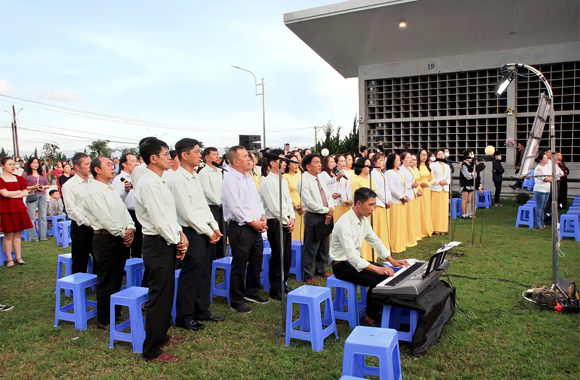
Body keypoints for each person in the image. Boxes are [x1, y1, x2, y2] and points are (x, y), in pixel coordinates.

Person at [135, 138, 188, 362]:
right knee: (158, 296)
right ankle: (152, 349)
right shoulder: (148, 183)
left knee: (167, 292)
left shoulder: (160, 180)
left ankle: (162, 335)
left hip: (166, 239)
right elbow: (158, 219)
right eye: (165, 153)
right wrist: (177, 239)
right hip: (157, 243)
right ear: (153, 158)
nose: (170, 157)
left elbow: (169, 214)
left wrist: (179, 234)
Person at [330, 187, 409, 326]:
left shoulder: (363, 220)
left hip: (354, 261)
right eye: (370, 205)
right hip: (341, 265)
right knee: (379, 278)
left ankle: (380, 312)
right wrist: (376, 269)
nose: (374, 208)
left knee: (388, 272)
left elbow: (375, 241)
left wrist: (392, 261)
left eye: (374, 204)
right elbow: (352, 256)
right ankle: (369, 318)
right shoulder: (344, 224)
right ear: (359, 204)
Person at [169, 138, 224, 330]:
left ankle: (202, 310)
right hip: (191, 231)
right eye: (197, 152)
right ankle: (185, 316)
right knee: (191, 275)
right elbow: (187, 212)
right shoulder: (177, 180)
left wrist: (214, 226)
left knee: (204, 272)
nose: (200, 155)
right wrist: (209, 231)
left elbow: (202, 206)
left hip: (204, 230)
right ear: (184, 155)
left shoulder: (194, 176)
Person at [84, 156, 135, 330]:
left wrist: (130, 227)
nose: (112, 168)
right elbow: (104, 217)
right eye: (108, 165)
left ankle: (116, 311)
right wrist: (122, 233)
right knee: (106, 278)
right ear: (97, 170)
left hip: (120, 237)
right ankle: (104, 318)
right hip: (106, 238)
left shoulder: (111, 187)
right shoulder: (93, 191)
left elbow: (123, 209)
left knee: (117, 276)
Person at [222, 146, 269, 314]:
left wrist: (262, 215)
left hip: (255, 225)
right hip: (241, 227)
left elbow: (255, 200)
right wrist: (252, 222)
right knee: (240, 263)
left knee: (256, 260)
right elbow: (235, 207)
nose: (250, 159)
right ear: (235, 161)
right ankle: (236, 299)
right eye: (245, 157)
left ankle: (252, 291)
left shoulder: (248, 177)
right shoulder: (230, 179)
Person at [259, 150, 295, 301]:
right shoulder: (267, 182)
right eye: (282, 161)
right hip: (275, 222)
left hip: (286, 221)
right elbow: (274, 207)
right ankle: (276, 288)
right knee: (278, 255)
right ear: (273, 163)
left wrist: (292, 217)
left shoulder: (282, 180)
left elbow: (288, 202)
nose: (285, 163)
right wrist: (287, 221)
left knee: (286, 255)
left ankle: (283, 282)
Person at [299, 153, 333, 285]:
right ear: (308, 166)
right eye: (316, 162)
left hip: (326, 215)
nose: (320, 165)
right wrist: (326, 210)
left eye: (320, 162)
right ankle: (307, 274)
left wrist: (330, 209)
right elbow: (308, 202)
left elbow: (328, 195)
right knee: (311, 246)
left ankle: (321, 269)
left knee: (324, 245)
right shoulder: (303, 181)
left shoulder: (320, 178)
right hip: (314, 216)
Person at [62, 153, 95, 274]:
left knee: (98, 256)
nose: (90, 166)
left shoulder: (93, 181)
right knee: (80, 258)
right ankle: (78, 285)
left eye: (90, 163)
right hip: (81, 226)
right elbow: (71, 210)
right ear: (76, 167)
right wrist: (88, 223)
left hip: (98, 223)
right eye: (86, 164)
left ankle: (98, 283)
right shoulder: (69, 185)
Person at [0, 157, 32, 267]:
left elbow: (25, 193)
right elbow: (4, 194)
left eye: (14, 164)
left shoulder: (19, 178)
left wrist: (11, 193)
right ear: (3, 166)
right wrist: (17, 192)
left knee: (18, 233)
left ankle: (18, 257)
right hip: (6, 209)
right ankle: (9, 259)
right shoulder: (0, 179)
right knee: (8, 234)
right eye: (10, 164)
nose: (13, 166)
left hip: (19, 208)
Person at [111, 153, 142, 259]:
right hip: (128, 213)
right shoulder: (120, 179)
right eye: (132, 161)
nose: (136, 163)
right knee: (128, 243)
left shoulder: (138, 177)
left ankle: (137, 268)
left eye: (136, 161)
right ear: (124, 164)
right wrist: (126, 190)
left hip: (139, 212)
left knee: (138, 243)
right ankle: (126, 270)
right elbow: (116, 199)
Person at [198, 147, 226, 259]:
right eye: (214, 154)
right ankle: (213, 259)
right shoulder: (204, 173)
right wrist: (220, 201)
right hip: (212, 207)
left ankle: (221, 258)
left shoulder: (220, 171)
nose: (217, 157)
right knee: (214, 232)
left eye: (218, 154)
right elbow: (207, 191)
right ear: (207, 157)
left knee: (223, 233)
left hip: (222, 207)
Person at [385, 153, 409, 253]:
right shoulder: (389, 173)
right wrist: (401, 197)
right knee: (395, 224)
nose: (400, 162)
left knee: (401, 224)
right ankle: (394, 245)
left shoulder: (398, 172)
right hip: (395, 202)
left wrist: (405, 195)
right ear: (392, 162)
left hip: (401, 202)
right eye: (398, 160)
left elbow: (404, 185)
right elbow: (391, 188)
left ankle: (400, 243)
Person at [22, 157, 50, 242]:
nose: (35, 164)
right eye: (33, 163)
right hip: (32, 195)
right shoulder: (25, 174)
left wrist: (43, 187)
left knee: (43, 216)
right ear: (29, 164)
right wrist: (33, 187)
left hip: (42, 195)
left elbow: (47, 184)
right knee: (31, 217)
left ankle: (43, 236)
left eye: (37, 163)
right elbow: (22, 186)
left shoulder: (42, 173)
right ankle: (33, 237)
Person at [400, 152, 420, 247]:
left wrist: (416, 188)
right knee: (407, 218)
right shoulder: (400, 170)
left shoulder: (411, 170)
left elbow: (413, 181)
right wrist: (410, 185)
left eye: (410, 158)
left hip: (412, 194)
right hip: (406, 195)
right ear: (402, 160)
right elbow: (401, 183)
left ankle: (412, 236)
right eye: (407, 158)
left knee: (412, 217)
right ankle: (406, 238)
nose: (410, 160)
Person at [283, 154, 304, 243]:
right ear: (288, 164)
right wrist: (295, 205)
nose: (296, 164)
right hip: (293, 208)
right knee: (295, 232)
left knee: (303, 232)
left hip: (303, 207)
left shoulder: (300, 175)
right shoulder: (285, 177)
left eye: (297, 162)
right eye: (293, 162)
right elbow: (286, 193)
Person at [430, 150, 451, 235]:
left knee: (443, 209)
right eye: (439, 154)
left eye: (442, 154)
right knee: (435, 209)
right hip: (435, 188)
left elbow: (448, 177)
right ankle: (435, 228)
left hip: (444, 189)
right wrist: (438, 182)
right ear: (436, 156)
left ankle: (443, 228)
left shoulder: (447, 166)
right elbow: (431, 177)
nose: (441, 155)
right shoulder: (432, 165)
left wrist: (445, 182)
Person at [417, 149, 435, 237]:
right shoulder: (416, 167)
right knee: (420, 208)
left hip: (426, 189)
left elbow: (433, 179)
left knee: (426, 208)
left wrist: (427, 183)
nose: (424, 157)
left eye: (425, 155)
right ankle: (419, 229)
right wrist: (421, 184)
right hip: (419, 189)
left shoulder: (428, 167)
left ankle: (427, 228)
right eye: (422, 155)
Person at [319, 155, 342, 221]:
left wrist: (340, 194)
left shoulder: (334, 173)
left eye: (334, 162)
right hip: (330, 202)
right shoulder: (323, 173)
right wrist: (337, 178)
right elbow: (329, 181)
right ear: (326, 164)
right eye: (331, 162)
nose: (333, 164)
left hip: (337, 201)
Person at [533, 152, 552, 230]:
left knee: (544, 207)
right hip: (540, 189)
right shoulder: (538, 168)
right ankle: (538, 224)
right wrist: (549, 178)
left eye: (546, 158)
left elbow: (551, 176)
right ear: (541, 160)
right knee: (539, 207)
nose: (546, 159)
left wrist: (550, 178)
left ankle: (542, 223)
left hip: (547, 189)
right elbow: (546, 179)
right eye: (544, 158)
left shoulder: (547, 166)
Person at [333, 154, 353, 222]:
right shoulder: (334, 174)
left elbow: (349, 187)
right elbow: (337, 188)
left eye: (344, 161)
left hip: (348, 203)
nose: (343, 163)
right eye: (341, 161)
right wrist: (343, 200)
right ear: (336, 163)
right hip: (339, 203)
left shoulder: (347, 173)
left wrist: (350, 199)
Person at [459, 150, 476, 219]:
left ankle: (468, 213)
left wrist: (472, 174)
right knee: (465, 199)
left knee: (469, 200)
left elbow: (475, 174)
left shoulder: (472, 165)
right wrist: (471, 174)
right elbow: (467, 176)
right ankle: (463, 214)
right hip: (465, 184)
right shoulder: (464, 164)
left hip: (471, 184)